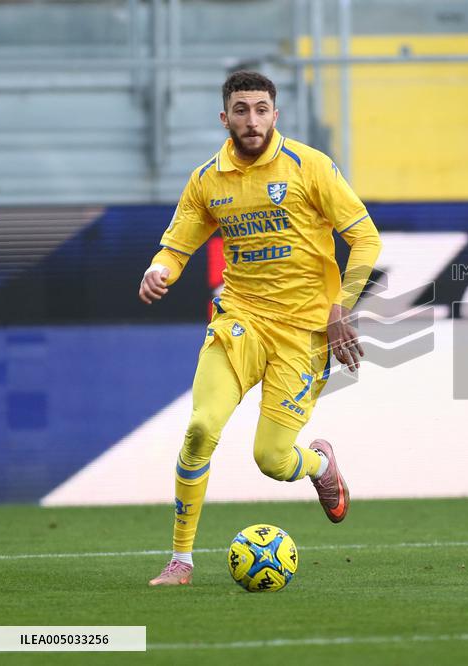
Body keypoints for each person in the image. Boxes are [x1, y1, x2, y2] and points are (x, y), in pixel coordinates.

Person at [139, 70, 382, 586]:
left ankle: (319, 466)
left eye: (261, 109)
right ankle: (180, 560)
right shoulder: (208, 178)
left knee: (271, 460)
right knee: (202, 427)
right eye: (241, 110)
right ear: (224, 117)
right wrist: (158, 270)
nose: (252, 120)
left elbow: (366, 239)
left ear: (276, 113)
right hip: (240, 321)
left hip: (304, 332)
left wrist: (341, 307)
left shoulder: (309, 166)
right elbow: (177, 246)